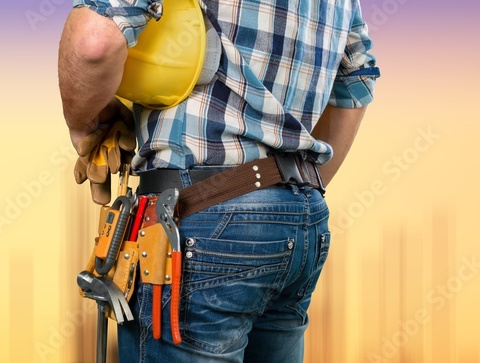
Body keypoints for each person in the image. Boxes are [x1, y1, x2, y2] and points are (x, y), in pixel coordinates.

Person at [58, 0, 379, 361]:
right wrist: (291, 191)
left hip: (200, 223)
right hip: (303, 220)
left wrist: (84, 125)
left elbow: (94, 42)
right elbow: (356, 79)